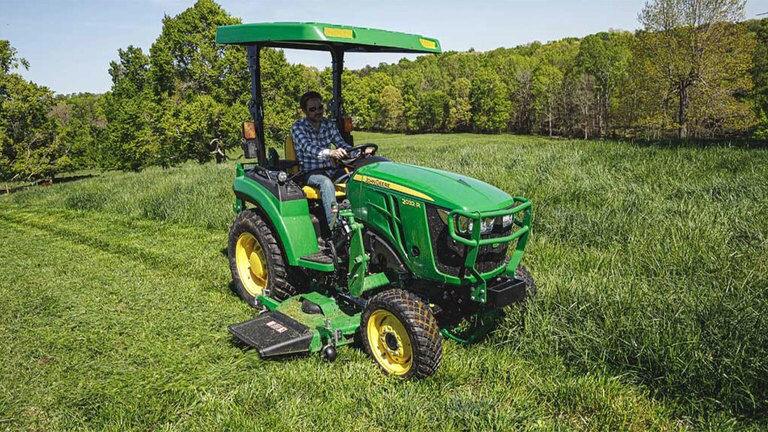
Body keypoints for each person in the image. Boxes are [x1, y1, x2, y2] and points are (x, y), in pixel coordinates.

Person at [290, 91, 352, 228]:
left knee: (356, 177)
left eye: (320, 108)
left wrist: (360, 151)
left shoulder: (328, 124)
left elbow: (341, 143)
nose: (318, 112)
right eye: (313, 109)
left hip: (330, 169)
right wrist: (331, 153)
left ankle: (358, 217)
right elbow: (308, 148)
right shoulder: (297, 127)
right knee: (326, 183)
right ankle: (335, 226)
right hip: (310, 172)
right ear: (304, 111)